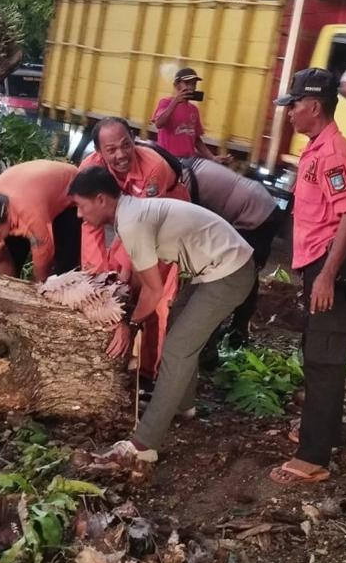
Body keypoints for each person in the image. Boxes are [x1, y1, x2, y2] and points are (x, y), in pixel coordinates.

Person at [68, 166, 255, 465]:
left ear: (101, 199)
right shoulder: (130, 213)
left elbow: (153, 292)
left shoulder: (132, 222)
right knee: (179, 327)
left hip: (230, 272)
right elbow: (144, 279)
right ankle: (182, 405)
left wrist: (129, 325)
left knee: (177, 348)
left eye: (81, 205)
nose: (79, 214)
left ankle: (144, 444)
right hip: (218, 268)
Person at [269, 68, 346, 486]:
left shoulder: (334, 153)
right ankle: (323, 432)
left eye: (294, 105)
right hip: (317, 264)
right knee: (317, 350)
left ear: (314, 106)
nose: (289, 113)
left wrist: (326, 275)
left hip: (331, 268)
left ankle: (314, 457)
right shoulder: (316, 147)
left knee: (325, 359)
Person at [80, 118, 190, 378]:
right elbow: (90, 225)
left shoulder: (154, 168)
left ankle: (149, 372)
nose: (121, 155)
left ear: (133, 140)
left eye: (126, 145)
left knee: (152, 295)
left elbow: (142, 230)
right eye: (111, 150)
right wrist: (98, 282)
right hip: (130, 222)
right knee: (110, 281)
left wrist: (126, 276)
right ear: (99, 152)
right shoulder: (88, 172)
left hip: (165, 223)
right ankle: (117, 358)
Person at [180, 156, 284, 356]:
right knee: (243, 272)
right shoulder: (186, 168)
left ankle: (218, 341)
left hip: (256, 215)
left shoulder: (181, 182)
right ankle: (236, 328)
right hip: (261, 206)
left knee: (231, 272)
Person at [0, 160, 81, 282]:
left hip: (69, 191)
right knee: (13, 252)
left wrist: (38, 287)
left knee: (65, 263)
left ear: (7, 217)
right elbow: (0, 260)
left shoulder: (29, 213)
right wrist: (4, 286)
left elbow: (43, 258)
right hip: (30, 195)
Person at [152, 67, 229, 161]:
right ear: (176, 84)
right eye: (187, 83)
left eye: (194, 84)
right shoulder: (165, 102)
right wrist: (175, 102)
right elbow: (158, 124)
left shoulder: (194, 109)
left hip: (188, 159)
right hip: (168, 158)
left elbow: (196, 139)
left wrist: (212, 157)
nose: (191, 87)